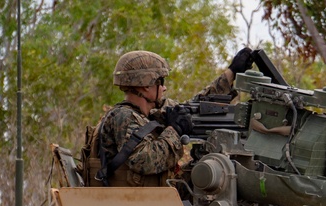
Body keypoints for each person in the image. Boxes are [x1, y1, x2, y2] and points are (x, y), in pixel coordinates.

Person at [88, 47, 255, 187]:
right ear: (146, 85)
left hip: (152, 199)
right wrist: (174, 130)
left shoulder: (151, 112)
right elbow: (144, 160)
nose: (164, 88)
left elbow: (194, 108)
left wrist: (231, 73)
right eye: (160, 82)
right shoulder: (123, 117)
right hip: (131, 205)